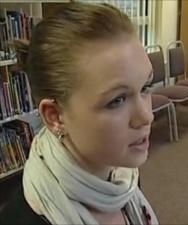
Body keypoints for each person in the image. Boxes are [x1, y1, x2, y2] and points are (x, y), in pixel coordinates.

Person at [0, 2, 158, 225]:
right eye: (117, 100)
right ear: (55, 116)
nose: (146, 117)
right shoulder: (23, 219)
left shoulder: (122, 177)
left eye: (145, 88)